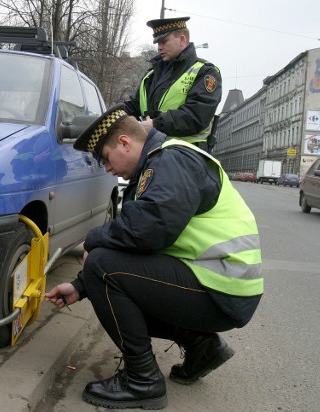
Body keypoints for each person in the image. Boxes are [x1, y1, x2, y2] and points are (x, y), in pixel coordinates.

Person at [45, 104, 263, 410]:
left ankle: (142, 381)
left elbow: (148, 231)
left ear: (124, 142)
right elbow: (141, 247)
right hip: (219, 286)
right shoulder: (157, 163)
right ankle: (202, 346)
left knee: (102, 264)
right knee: (104, 272)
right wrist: (81, 287)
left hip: (221, 288)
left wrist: (91, 241)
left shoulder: (172, 159)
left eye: (106, 159)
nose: (107, 169)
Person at [124, 17, 222, 151]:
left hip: (186, 157)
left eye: (164, 41)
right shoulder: (151, 75)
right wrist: (111, 119)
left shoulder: (205, 72)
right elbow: (133, 107)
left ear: (182, 40)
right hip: (152, 153)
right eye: (157, 43)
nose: (159, 47)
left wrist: (155, 124)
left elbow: (196, 115)